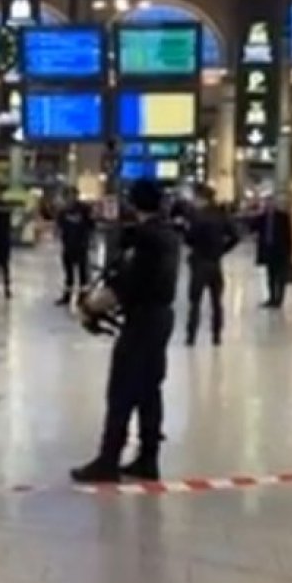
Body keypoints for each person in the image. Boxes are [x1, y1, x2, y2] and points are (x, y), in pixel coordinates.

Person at [70, 180, 179, 483]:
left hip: (142, 320)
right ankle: (148, 458)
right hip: (161, 318)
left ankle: (108, 460)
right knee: (149, 391)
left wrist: (92, 307)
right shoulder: (169, 235)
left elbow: (126, 282)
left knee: (121, 391)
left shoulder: (144, 239)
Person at [184, 184, 239, 347]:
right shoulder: (221, 215)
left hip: (199, 262)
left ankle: (191, 335)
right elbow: (235, 236)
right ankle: (216, 335)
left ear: (201, 198)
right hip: (215, 262)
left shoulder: (197, 217)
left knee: (195, 302)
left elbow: (189, 238)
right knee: (216, 301)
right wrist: (222, 250)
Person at [54, 187, 96, 306]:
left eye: (72, 195)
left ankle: (83, 298)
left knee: (83, 273)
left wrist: (89, 240)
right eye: (67, 196)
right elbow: (60, 226)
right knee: (69, 273)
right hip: (68, 245)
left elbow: (91, 225)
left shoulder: (84, 209)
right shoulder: (63, 211)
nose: (70, 198)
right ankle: (67, 296)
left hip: (81, 245)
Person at [256, 194, 292, 309]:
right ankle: (271, 297)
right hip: (268, 251)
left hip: (281, 251)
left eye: (270, 202)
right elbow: (253, 227)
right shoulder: (262, 218)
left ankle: (279, 299)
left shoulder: (283, 217)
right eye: (266, 203)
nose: (269, 205)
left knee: (281, 276)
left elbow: (289, 236)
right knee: (270, 275)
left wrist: (290, 252)